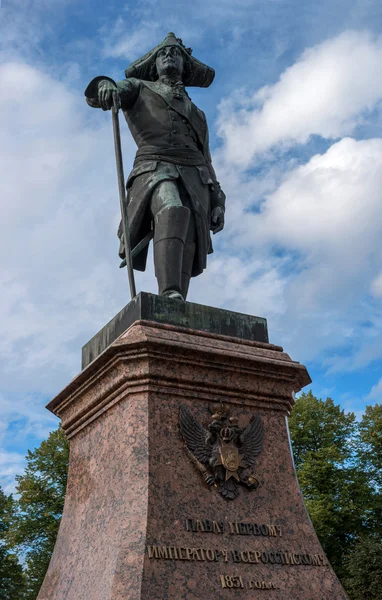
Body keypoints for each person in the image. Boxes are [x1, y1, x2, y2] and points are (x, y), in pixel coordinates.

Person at [85, 32, 226, 301]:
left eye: (175, 54)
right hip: (155, 167)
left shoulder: (198, 115)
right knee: (172, 209)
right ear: (155, 64)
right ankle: (169, 292)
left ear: (186, 66)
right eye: (163, 54)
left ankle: (177, 304)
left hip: (196, 176)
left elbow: (206, 159)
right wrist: (104, 86)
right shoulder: (139, 88)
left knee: (188, 237)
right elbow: (107, 89)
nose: (169, 56)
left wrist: (218, 200)